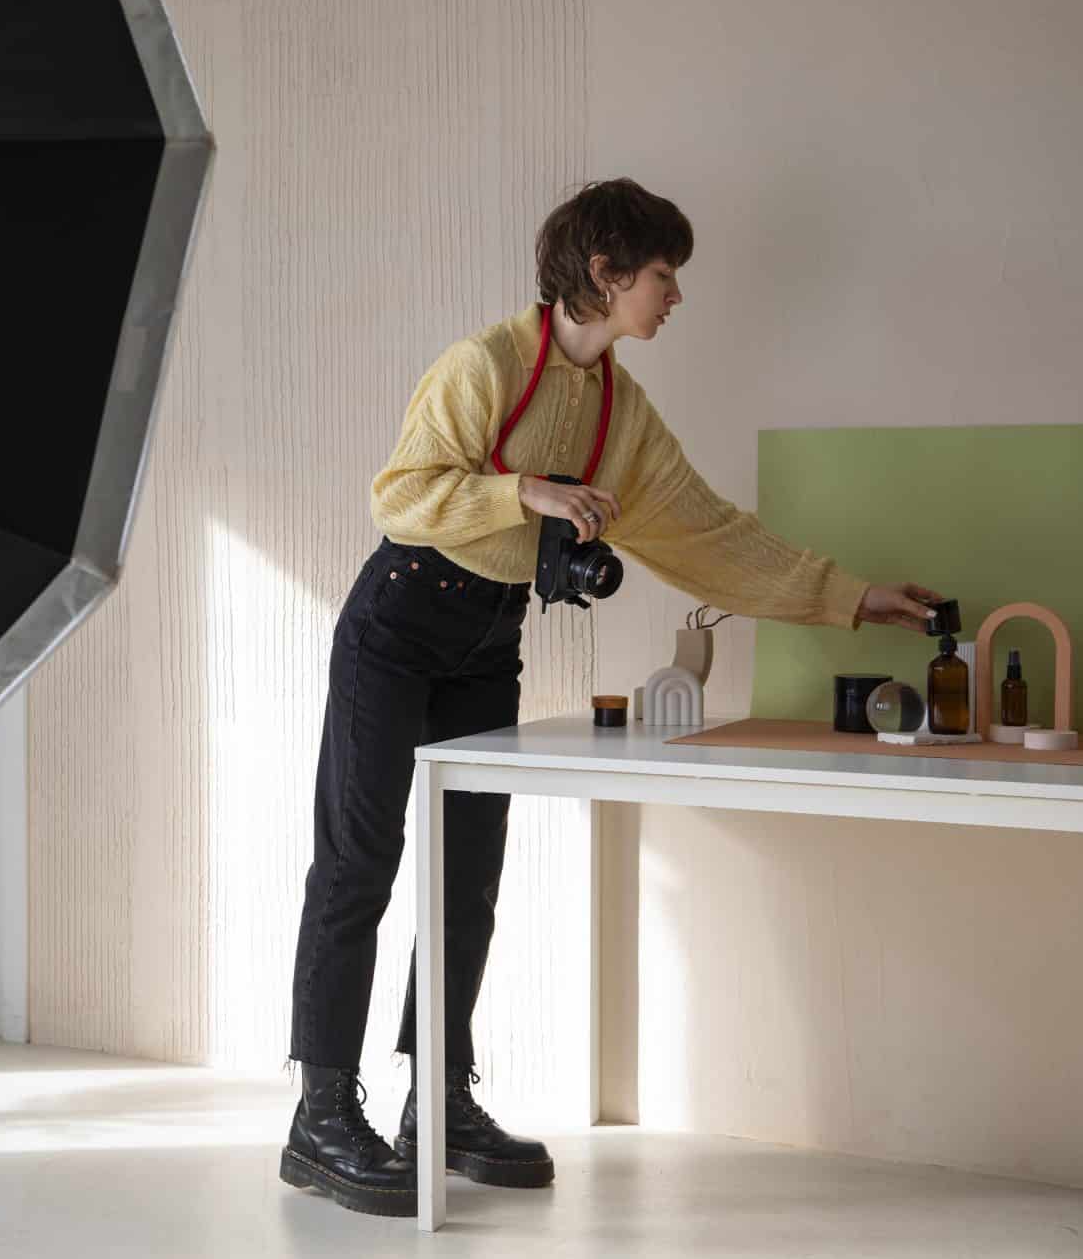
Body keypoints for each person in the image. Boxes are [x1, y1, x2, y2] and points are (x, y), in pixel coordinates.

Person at [279, 178, 944, 1218]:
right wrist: (524, 493)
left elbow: (710, 536)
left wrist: (850, 598)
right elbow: (398, 494)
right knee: (358, 861)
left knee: (467, 875)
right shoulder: (485, 364)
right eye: (663, 277)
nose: (673, 297)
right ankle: (319, 1116)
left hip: (487, 639)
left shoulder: (619, 412)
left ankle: (438, 1103)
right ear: (605, 273)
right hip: (396, 622)